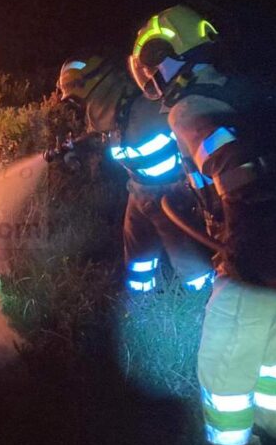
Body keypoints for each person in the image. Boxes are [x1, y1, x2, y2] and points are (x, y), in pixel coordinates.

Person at [128, 4, 276, 445]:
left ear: (162, 60)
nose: (150, 80)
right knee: (267, 352)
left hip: (260, 255)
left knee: (222, 365)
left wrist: (243, 254)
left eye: (148, 68)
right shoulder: (235, 92)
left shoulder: (190, 108)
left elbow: (234, 166)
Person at [55, 57, 214, 296]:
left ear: (94, 86)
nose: (80, 106)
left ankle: (203, 304)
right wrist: (75, 151)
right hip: (139, 193)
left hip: (172, 193)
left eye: (78, 98)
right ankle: (142, 303)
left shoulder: (153, 107)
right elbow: (103, 138)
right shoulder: (109, 119)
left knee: (189, 260)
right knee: (138, 261)